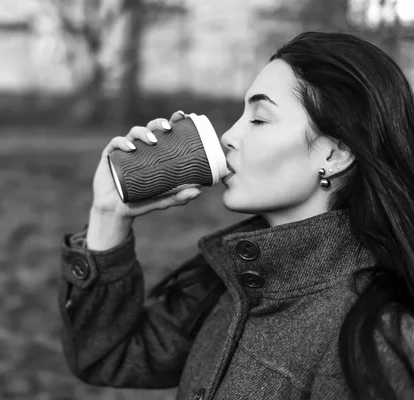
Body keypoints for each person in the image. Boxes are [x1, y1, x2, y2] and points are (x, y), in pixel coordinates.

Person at [57, 31, 414, 399]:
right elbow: (106, 356)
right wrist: (108, 214)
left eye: (259, 119)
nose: (228, 135)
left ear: (334, 155)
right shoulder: (239, 282)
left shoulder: (374, 338)